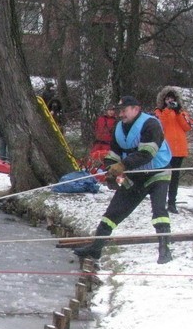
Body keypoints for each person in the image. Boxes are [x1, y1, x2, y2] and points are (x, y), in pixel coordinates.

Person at [73, 96, 173, 265]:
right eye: (119, 111)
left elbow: (147, 154)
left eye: (124, 110)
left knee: (158, 211)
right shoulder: (118, 128)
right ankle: (96, 247)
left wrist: (122, 166)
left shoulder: (151, 124)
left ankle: (165, 249)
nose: (121, 114)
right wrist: (111, 172)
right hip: (135, 175)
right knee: (114, 211)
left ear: (136, 109)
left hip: (158, 173)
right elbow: (113, 154)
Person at [154, 87, 193, 213]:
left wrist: (177, 113)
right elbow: (161, 124)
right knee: (162, 177)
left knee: (174, 178)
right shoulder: (159, 112)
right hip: (165, 150)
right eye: (167, 98)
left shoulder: (182, 112)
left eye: (172, 99)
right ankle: (159, 202)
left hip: (179, 149)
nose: (170, 101)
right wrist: (167, 110)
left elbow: (187, 127)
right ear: (163, 100)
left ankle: (172, 203)